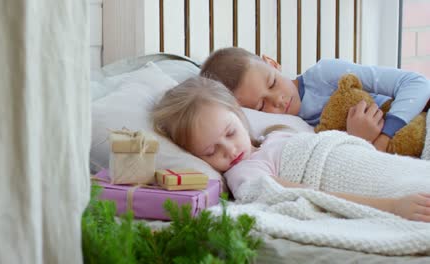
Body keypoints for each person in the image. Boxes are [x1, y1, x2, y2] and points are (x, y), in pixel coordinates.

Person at [152, 76, 430, 222]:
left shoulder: (274, 136)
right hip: (375, 188)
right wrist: (392, 207)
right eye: (210, 152)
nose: (229, 150)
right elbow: (309, 194)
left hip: (374, 162)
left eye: (230, 132)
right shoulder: (244, 173)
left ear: (239, 114)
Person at [199, 47, 430, 152]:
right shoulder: (289, 132)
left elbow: (418, 83)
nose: (278, 101)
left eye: (272, 83)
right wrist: (357, 139)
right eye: (261, 105)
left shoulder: (324, 74)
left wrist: (381, 139)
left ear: (272, 63)